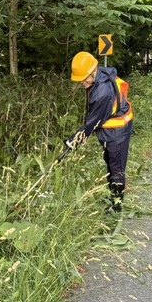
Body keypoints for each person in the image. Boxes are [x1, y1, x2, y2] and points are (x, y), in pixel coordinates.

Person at [65, 51, 134, 213]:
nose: (81, 82)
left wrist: (74, 142)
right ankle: (113, 196)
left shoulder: (103, 92)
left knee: (116, 169)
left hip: (118, 132)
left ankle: (116, 207)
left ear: (92, 71)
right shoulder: (99, 75)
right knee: (111, 164)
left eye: (84, 79)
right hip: (109, 131)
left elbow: (93, 123)